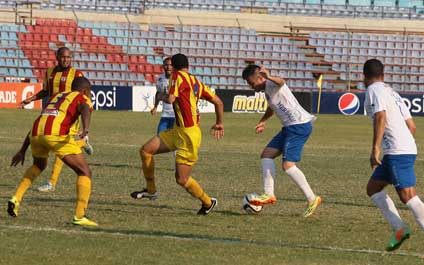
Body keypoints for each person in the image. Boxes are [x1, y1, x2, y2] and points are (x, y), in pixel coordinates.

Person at [130, 53, 224, 215]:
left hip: (188, 136)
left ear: (174, 66)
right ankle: (151, 190)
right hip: (178, 130)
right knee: (146, 150)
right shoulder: (196, 82)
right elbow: (218, 101)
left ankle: (208, 202)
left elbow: (171, 99)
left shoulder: (177, 76)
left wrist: (160, 96)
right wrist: (219, 122)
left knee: (181, 179)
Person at [8, 76, 97, 226]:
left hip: (36, 134)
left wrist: (22, 150)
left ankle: (16, 198)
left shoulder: (56, 96)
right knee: (85, 172)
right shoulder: (82, 97)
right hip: (55, 136)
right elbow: (85, 108)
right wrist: (86, 129)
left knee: (39, 165)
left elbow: (43, 120)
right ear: (85, 90)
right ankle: (80, 215)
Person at [242, 64, 321, 218]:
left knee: (288, 165)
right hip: (289, 127)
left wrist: (269, 76)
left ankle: (312, 198)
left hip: (298, 125)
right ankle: (269, 194)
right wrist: (263, 121)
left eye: (252, 83)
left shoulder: (271, 83)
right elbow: (272, 107)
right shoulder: (267, 91)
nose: (251, 86)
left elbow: (281, 81)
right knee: (266, 154)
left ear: (260, 78)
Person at [363, 59, 424, 251]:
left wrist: (376, 148)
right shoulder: (393, 93)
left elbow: (381, 117)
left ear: (364, 76)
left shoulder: (374, 90)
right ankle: (399, 229)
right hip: (398, 150)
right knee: (373, 188)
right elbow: (412, 127)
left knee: (407, 196)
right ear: (383, 73)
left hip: (397, 151)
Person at [21, 47, 93, 193]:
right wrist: (31, 99)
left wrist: (87, 112)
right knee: (52, 142)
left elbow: (85, 94)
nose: (66, 59)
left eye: (68, 57)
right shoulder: (50, 72)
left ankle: (51, 183)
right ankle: (80, 142)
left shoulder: (76, 74)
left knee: (61, 148)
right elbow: (46, 91)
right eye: (63, 57)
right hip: (51, 112)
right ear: (57, 57)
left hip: (69, 115)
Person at [150, 57, 175, 134]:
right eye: (166, 65)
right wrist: (155, 107)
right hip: (165, 116)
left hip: (176, 117)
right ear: (163, 66)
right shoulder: (160, 78)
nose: (168, 67)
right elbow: (158, 93)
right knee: (159, 138)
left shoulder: (177, 78)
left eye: (171, 65)